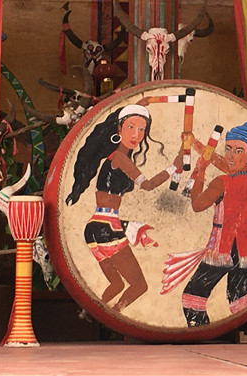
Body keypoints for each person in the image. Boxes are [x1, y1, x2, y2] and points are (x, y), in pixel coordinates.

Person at [65, 104, 184, 312]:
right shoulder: (119, 157)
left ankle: (95, 312)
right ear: (119, 129)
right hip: (106, 228)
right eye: (131, 127)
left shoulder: (119, 157)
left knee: (118, 285)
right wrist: (174, 166)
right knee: (139, 286)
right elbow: (148, 185)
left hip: (94, 227)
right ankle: (114, 314)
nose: (136, 134)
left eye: (141, 129)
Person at [177, 121, 247, 327]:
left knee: (193, 296)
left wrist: (200, 172)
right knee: (239, 296)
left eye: (238, 151)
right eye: (228, 149)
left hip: (223, 249)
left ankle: (201, 333)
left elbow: (197, 205)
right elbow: (221, 162)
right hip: (243, 251)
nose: (231, 156)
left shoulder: (221, 183)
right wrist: (196, 144)